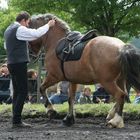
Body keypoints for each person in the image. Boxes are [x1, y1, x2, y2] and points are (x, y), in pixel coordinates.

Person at [4, 11, 55, 128]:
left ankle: (15, 119)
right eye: (27, 23)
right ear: (23, 20)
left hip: (11, 63)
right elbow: (36, 34)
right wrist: (49, 25)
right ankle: (17, 121)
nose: (27, 25)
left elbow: (6, 46)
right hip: (19, 64)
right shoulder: (19, 29)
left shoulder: (8, 30)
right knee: (22, 91)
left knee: (17, 92)